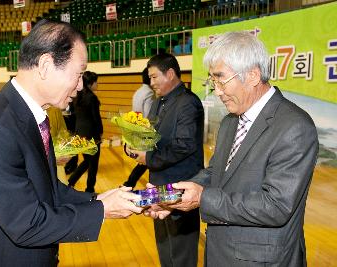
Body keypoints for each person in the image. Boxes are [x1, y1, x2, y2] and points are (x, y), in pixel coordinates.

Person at [0, 19, 142, 267]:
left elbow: (48, 189)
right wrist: (102, 210)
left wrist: (99, 199)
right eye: (78, 74)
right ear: (47, 65)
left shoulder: (29, 116)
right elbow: (26, 223)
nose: (80, 86)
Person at [147, 31, 319, 266]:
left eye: (221, 79)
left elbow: (276, 206)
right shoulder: (231, 121)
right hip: (221, 253)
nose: (216, 91)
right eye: (212, 81)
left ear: (252, 75)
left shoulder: (294, 126)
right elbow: (215, 173)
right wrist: (173, 196)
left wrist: (202, 199)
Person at [130, 53, 204, 267]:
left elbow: (185, 145)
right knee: (164, 247)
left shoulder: (188, 103)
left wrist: (149, 157)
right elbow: (152, 137)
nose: (151, 82)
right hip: (158, 183)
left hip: (182, 186)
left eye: (154, 77)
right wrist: (135, 145)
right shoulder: (157, 102)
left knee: (182, 252)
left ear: (170, 74)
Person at [68, 71, 103, 193]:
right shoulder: (92, 97)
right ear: (90, 83)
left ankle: (70, 182)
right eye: (96, 82)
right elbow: (96, 118)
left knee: (87, 161)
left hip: (80, 134)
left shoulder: (77, 96)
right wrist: (100, 132)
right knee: (93, 165)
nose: (97, 84)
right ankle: (89, 189)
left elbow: (73, 115)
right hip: (91, 135)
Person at [122, 67, 155, 188]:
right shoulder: (150, 93)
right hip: (145, 132)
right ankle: (130, 184)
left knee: (146, 161)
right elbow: (149, 116)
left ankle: (129, 184)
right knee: (150, 159)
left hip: (136, 129)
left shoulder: (139, 91)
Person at [63, 102, 78, 174]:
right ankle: (70, 165)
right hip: (69, 126)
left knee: (73, 147)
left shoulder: (74, 101)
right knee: (70, 147)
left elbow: (74, 114)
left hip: (73, 126)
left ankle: (73, 166)